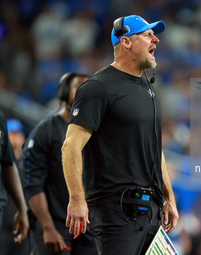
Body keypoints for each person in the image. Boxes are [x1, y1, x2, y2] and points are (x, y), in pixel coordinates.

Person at [62, 15, 179, 255]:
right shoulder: (98, 87)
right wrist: (76, 199)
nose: (155, 39)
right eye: (147, 35)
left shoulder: (147, 88)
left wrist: (169, 197)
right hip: (116, 213)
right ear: (126, 42)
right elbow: (70, 146)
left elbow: (155, 149)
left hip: (151, 211)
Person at [23, 72, 97, 254]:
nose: (85, 91)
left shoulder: (96, 132)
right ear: (64, 93)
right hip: (56, 226)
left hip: (89, 229)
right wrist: (47, 227)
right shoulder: (44, 131)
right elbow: (34, 185)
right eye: (79, 85)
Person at [0, 118, 31, 255]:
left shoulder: (29, 165)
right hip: (3, 226)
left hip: (23, 226)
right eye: (12, 134)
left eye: (18, 134)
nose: (15, 138)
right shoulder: (3, 166)